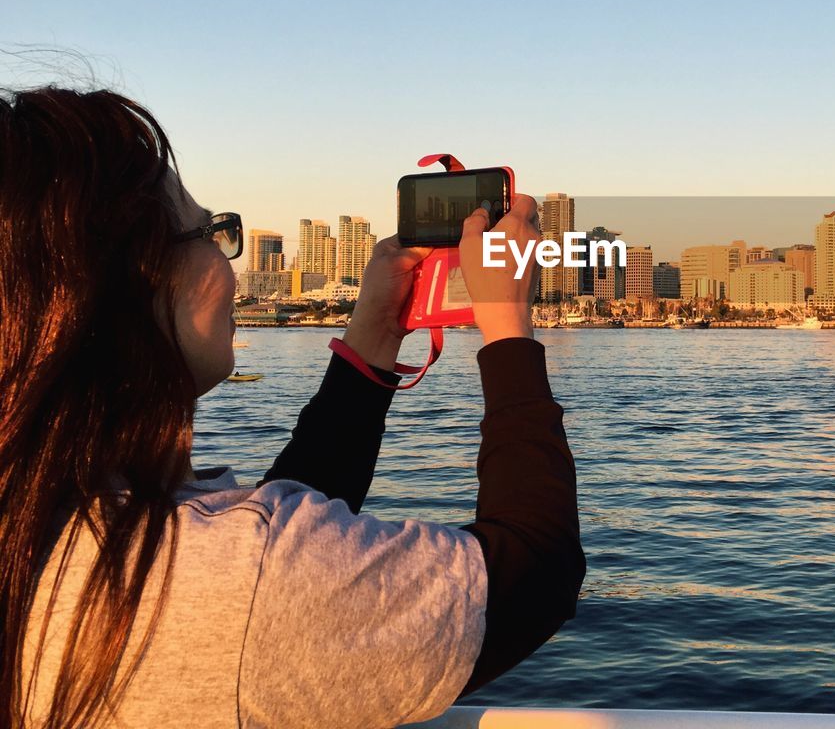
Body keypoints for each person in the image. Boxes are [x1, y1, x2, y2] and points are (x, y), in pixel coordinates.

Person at [0, 86, 585, 729]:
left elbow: (257, 542)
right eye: (212, 233)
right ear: (133, 277)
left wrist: (374, 337)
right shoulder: (226, 581)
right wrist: (507, 329)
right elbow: (535, 568)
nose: (229, 266)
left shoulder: (41, 513)